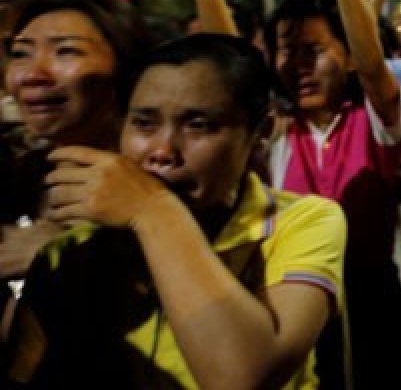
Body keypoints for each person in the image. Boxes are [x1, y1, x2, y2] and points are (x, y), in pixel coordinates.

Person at [161, 0, 401, 388]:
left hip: (376, 311)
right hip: (287, 301)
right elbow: (225, 72)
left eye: (313, 51)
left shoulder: (378, 120)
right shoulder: (272, 135)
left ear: (345, 54)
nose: (296, 66)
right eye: (285, 51)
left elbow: (373, 71)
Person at [3, 34, 347, 388]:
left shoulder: (302, 221)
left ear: (261, 132)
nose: (163, 150)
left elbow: (242, 378)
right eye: (144, 123)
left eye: (199, 125)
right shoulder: (74, 252)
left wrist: (154, 211)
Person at [1, 0, 148, 337]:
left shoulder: (162, 179)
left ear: (126, 67)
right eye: (21, 54)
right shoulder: (21, 178)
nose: (33, 75)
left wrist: (64, 254)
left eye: (65, 51)